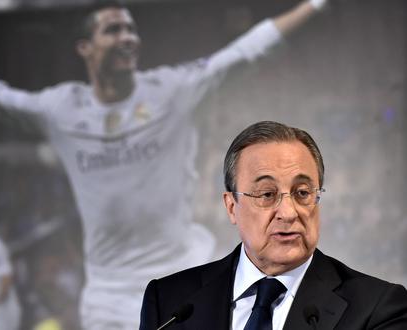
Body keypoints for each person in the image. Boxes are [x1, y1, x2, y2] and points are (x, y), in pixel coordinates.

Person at [0, 0, 331, 328]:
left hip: (187, 271)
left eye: (131, 29)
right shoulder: (61, 110)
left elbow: (244, 52)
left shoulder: (172, 90)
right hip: (109, 294)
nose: (128, 37)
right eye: (113, 29)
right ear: (86, 48)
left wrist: (315, 5)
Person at [140, 121, 407, 329]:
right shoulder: (170, 302)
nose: (289, 213)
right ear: (232, 207)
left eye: (302, 193)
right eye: (267, 194)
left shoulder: (377, 308)